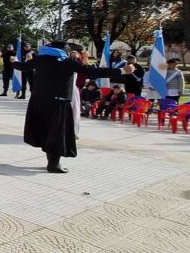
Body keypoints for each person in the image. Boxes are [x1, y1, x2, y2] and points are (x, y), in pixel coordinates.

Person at [12, 40, 131, 173]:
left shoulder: (41, 59)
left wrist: (13, 61)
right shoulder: (67, 62)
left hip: (39, 102)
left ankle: (51, 161)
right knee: (57, 133)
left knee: (46, 130)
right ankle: (54, 164)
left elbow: (23, 67)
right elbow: (92, 72)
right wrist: (121, 70)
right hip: (58, 102)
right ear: (64, 51)